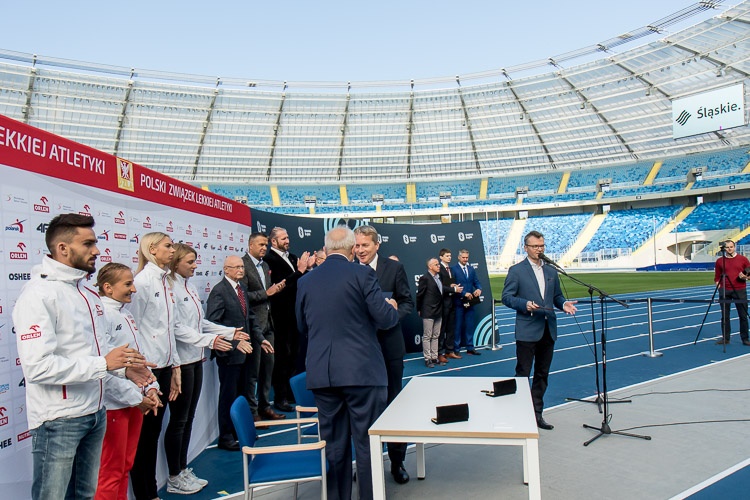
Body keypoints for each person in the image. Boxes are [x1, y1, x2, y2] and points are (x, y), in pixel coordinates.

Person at [13, 213, 151, 500]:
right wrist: (105, 364)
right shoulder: (38, 295)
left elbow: (98, 353)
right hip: (58, 420)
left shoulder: (87, 294)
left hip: (95, 411)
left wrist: (124, 369)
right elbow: (38, 367)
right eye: (88, 244)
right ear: (63, 248)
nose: (96, 250)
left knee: (85, 494)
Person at [296, 226, 399, 500]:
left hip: (323, 373)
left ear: (326, 249)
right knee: (367, 444)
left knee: (334, 447)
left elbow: (302, 326)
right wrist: (391, 308)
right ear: (353, 249)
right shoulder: (363, 274)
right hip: (363, 372)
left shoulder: (306, 281)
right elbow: (385, 319)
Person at [165, 243, 249, 493]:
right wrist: (211, 341)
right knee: (179, 421)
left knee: (188, 418)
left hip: (195, 358)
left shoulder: (189, 286)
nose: (195, 266)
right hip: (180, 361)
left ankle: (182, 469)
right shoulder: (169, 287)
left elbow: (201, 322)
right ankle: (174, 475)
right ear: (176, 263)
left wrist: (229, 332)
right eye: (190, 262)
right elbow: (177, 328)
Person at [95, 263, 162, 500]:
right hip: (114, 406)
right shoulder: (101, 315)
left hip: (133, 402)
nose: (134, 289)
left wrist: (151, 387)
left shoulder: (125, 313)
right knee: (110, 471)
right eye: (128, 284)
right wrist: (136, 397)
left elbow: (138, 358)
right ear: (108, 287)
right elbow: (105, 368)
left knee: (125, 466)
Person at [353, 225, 414, 485]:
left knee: (394, 404)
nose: (359, 250)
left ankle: (397, 462)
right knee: (363, 409)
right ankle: (366, 464)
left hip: (389, 348)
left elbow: (407, 302)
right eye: (356, 245)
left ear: (377, 245)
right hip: (359, 351)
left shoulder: (394, 268)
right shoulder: (349, 269)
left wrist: (392, 315)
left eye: (364, 245)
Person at [502, 231, 578, 430]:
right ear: (526, 248)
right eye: (535, 246)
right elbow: (507, 297)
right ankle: (519, 415)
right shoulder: (516, 271)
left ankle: (537, 414)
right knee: (523, 373)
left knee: (542, 374)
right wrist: (524, 304)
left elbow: (557, 296)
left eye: (542, 245)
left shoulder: (551, 271)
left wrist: (564, 304)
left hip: (547, 329)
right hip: (527, 330)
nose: (539, 249)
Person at [127, 231, 183, 499]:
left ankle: (150, 492)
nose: (173, 250)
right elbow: (133, 331)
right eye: (168, 246)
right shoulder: (143, 282)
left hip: (164, 368)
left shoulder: (165, 280)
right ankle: (146, 494)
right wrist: (145, 375)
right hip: (148, 373)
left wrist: (175, 366)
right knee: (145, 439)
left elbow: (170, 330)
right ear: (152, 249)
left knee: (152, 434)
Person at [206, 255, 269, 451]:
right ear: (226, 269)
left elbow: (250, 318)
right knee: (228, 396)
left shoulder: (241, 288)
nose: (241, 270)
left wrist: (261, 339)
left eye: (242, 267)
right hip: (229, 355)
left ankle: (239, 432)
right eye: (236, 267)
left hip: (247, 351)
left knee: (243, 394)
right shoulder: (219, 291)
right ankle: (226, 436)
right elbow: (213, 325)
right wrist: (233, 343)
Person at [264, 227, 314, 412]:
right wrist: (300, 271)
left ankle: (292, 394)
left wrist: (307, 269)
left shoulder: (293, 258)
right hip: (280, 318)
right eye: (283, 238)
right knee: (282, 360)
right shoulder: (269, 261)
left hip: (296, 315)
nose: (287, 240)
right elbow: (279, 287)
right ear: (273, 241)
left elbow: (300, 282)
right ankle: (280, 398)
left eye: (287, 237)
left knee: (294, 357)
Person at [239, 233, 287, 423]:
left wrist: (273, 291)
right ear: (250, 245)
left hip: (268, 323)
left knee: (268, 368)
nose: (264, 248)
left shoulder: (265, 266)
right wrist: (266, 293)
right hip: (253, 326)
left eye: (266, 245)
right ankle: (252, 412)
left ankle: (265, 406)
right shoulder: (242, 265)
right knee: (253, 372)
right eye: (260, 244)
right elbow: (242, 296)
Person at [714, 239, 750, 346]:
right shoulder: (720, 261)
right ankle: (726, 338)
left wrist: (745, 277)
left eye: (731, 247)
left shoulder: (743, 259)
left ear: (734, 247)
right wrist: (720, 288)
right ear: (724, 248)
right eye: (727, 247)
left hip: (740, 290)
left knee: (743, 315)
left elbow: (749, 275)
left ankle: (745, 338)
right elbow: (717, 277)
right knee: (725, 316)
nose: (729, 249)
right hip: (725, 290)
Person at [451, 249, 483, 356]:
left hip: (470, 303)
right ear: (459, 257)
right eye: (463, 257)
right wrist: (464, 293)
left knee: (470, 325)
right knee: (458, 326)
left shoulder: (471, 269)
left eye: (467, 258)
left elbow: (476, 282)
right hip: (458, 302)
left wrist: (479, 289)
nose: (465, 259)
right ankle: (456, 349)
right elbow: (452, 286)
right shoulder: (453, 269)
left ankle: (470, 347)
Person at [417, 258, 444, 367]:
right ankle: (427, 358)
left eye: (438, 264)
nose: (439, 266)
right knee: (427, 336)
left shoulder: (439, 277)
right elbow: (419, 295)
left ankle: (434, 357)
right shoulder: (425, 278)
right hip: (428, 311)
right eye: (436, 264)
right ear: (430, 266)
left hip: (439, 310)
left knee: (436, 335)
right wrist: (419, 309)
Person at [438, 248, 463, 361]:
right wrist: (453, 289)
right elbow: (439, 286)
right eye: (447, 256)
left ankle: (449, 351)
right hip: (443, 303)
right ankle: (439, 352)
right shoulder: (439, 269)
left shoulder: (450, 269)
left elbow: (449, 283)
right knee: (441, 329)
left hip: (452, 302)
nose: (449, 257)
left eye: (450, 255)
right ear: (441, 257)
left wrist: (454, 286)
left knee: (450, 328)